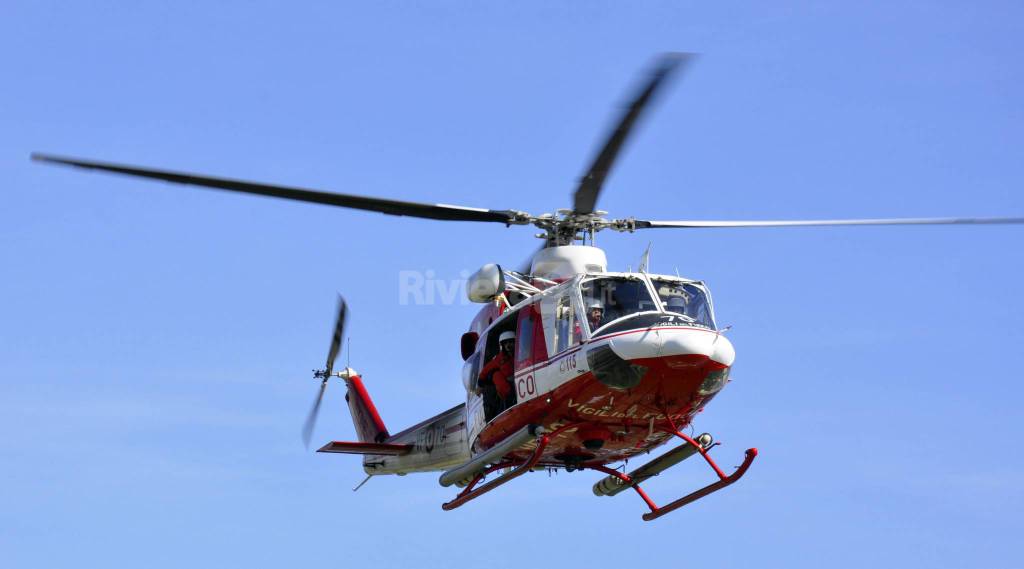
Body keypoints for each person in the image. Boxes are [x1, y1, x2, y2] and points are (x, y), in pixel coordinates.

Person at [478, 330, 516, 420]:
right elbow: (484, 371)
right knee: (496, 375)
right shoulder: (499, 359)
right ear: (502, 345)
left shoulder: (521, 351)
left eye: (510, 342)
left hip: (520, 379)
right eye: (505, 343)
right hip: (508, 388)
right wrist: (480, 386)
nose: (508, 345)